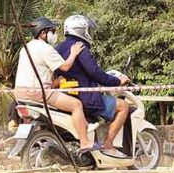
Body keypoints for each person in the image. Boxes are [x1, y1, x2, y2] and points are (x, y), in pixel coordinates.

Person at [14, 17, 99, 152]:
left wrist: (56, 81)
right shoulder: (45, 48)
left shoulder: (25, 48)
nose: (54, 34)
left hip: (20, 93)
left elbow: (39, 72)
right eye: (52, 31)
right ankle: (85, 142)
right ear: (42, 33)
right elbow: (65, 67)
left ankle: (82, 126)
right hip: (37, 93)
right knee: (76, 105)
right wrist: (73, 53)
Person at [54, 15, 131, 158]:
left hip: (66, 96)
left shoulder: (57, 48)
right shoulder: (80, 47)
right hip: (87, 98)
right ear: (81, 30)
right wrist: (116, 81)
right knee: (123, 107)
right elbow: (94, 72)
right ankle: (108, 144)